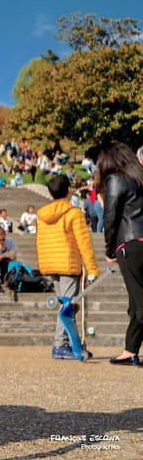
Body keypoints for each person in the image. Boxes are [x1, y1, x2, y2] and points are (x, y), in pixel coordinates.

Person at [36, 173, 100, 360]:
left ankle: (70, 343)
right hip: (68, 263)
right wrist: (93, 269)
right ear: (69, 190)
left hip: (50, 264)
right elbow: (84, 244)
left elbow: (41, 241)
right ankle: (60, 344)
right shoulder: (74, 213)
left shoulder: (42, 215)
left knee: (65, 305)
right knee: (67, 307)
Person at [98, 143, 143, 366]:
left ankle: (130, 350)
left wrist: (109, 250)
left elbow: (110, 219)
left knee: (140, 301)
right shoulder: (140, 178)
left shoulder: (115, 179)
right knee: (137, 302)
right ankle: (130, 349)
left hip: (131, 243)